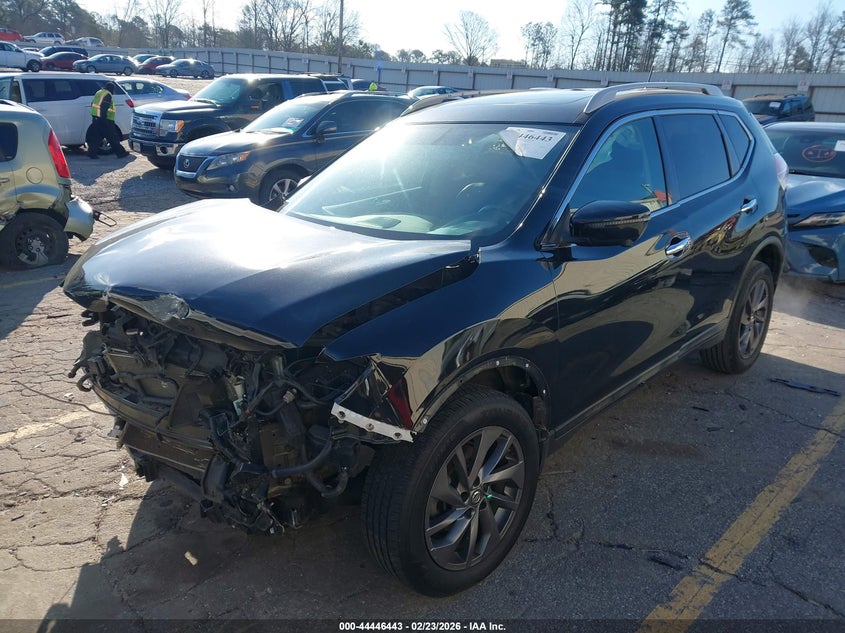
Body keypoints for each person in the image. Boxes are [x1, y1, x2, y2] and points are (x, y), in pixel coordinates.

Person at [87, 81, 129, 159]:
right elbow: (104, 107)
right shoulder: (107, 95)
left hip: (96, 118)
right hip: (106, 119)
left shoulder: (99, 92)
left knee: (97, 137)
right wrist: (104, 119)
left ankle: (91, 153)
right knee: (112, 137)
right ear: (111, 89)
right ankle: (121, 153)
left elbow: (93, 103)